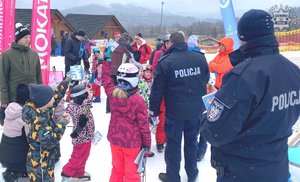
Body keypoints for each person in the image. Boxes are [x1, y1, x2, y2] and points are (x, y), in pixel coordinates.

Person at [200, 9, 300, 182]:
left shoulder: (243, 76)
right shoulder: (293, 71)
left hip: (242, 171)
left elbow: (215, 132)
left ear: (242, 37)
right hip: (278, 168)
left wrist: (206, 116)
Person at [149, 32, 210, 182]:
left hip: (175, 112)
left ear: (170, 43)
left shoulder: (166, 62)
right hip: (195, 110)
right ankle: (192, 173)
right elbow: (205, 78)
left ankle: (173, 176)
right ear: (184, 42)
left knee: (173, 145)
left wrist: (154, 111)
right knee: (191, 142)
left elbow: (157, 90)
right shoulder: (199, 58)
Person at [101, 62, 151, 182]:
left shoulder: (113, 93)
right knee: (131, 173)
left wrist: (107, 62)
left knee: (117, 170)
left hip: (115, 140)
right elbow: (144, 126)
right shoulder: (138, 101)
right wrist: (147, 145)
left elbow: (106, 80)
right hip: (132, 143)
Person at [22, 78, 72, 182]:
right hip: (40, 168)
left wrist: (65, 82)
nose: (54, 98)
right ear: (45, 102)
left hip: (46, 160)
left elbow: (56, 96)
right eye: (51, 97)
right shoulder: (39, 122)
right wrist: (63, 122)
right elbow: (51, 140)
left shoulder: (41, 108)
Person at [0, 23, 42, 126]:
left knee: (31, 126)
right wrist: (4, 100)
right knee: (15, 128)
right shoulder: (7, 55)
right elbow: (2, 78)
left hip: (31, 96)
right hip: (14, 98)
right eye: (25, 37)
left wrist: (40, 94)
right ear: (18, 39)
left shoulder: (34, 54)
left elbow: (38, 76)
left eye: (29, 37)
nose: (28, 40)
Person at [61, 83, 94, 181]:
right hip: (81, 138)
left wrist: (87, 91)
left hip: (86, 137)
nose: (89, 95)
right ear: (82, 97)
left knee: (84, 156)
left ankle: (79, 173)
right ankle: (66, 173)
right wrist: (89, 97)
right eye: (87, 94)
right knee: (78, 157)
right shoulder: (79, 108)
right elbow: (86, 106)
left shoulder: (77, 106)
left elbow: (86, 105)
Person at [0, 84, 30, 182]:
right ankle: (19, 174)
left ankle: (12, 172)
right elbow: (32, 139)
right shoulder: (24, 116)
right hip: (18, 160)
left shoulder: (10, 110)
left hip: (4, 156)